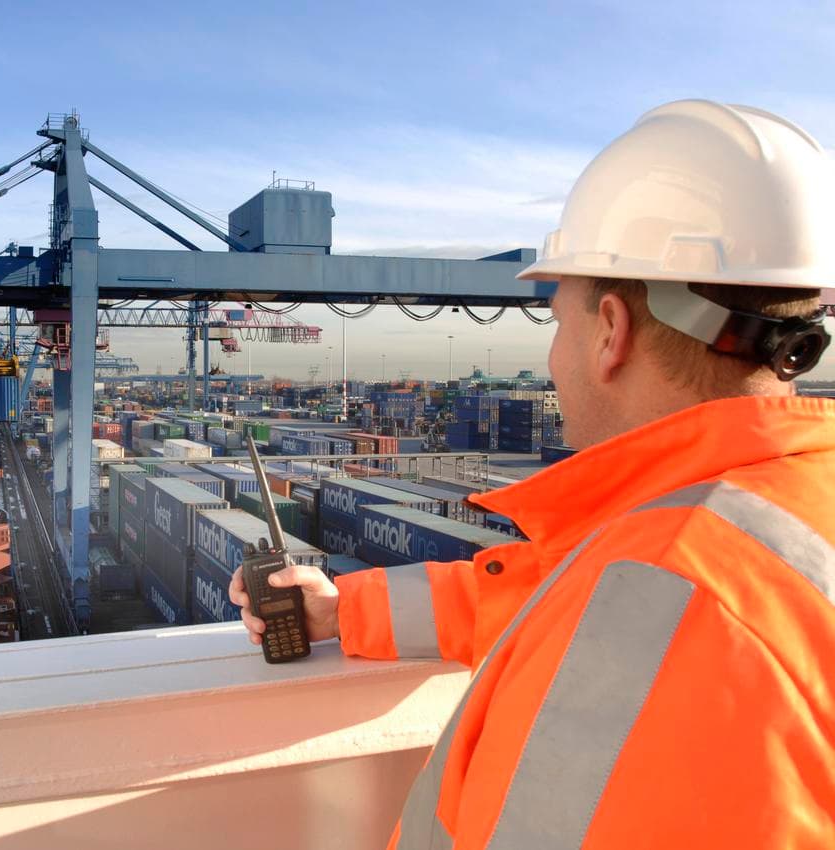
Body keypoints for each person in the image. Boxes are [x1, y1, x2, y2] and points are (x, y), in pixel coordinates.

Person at [229, 99, 835, 849]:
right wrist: (337, 610)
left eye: (556, 323)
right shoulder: (776, 512)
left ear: (609, 331)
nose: (553, 362)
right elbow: (540, 597)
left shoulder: (677, 606)